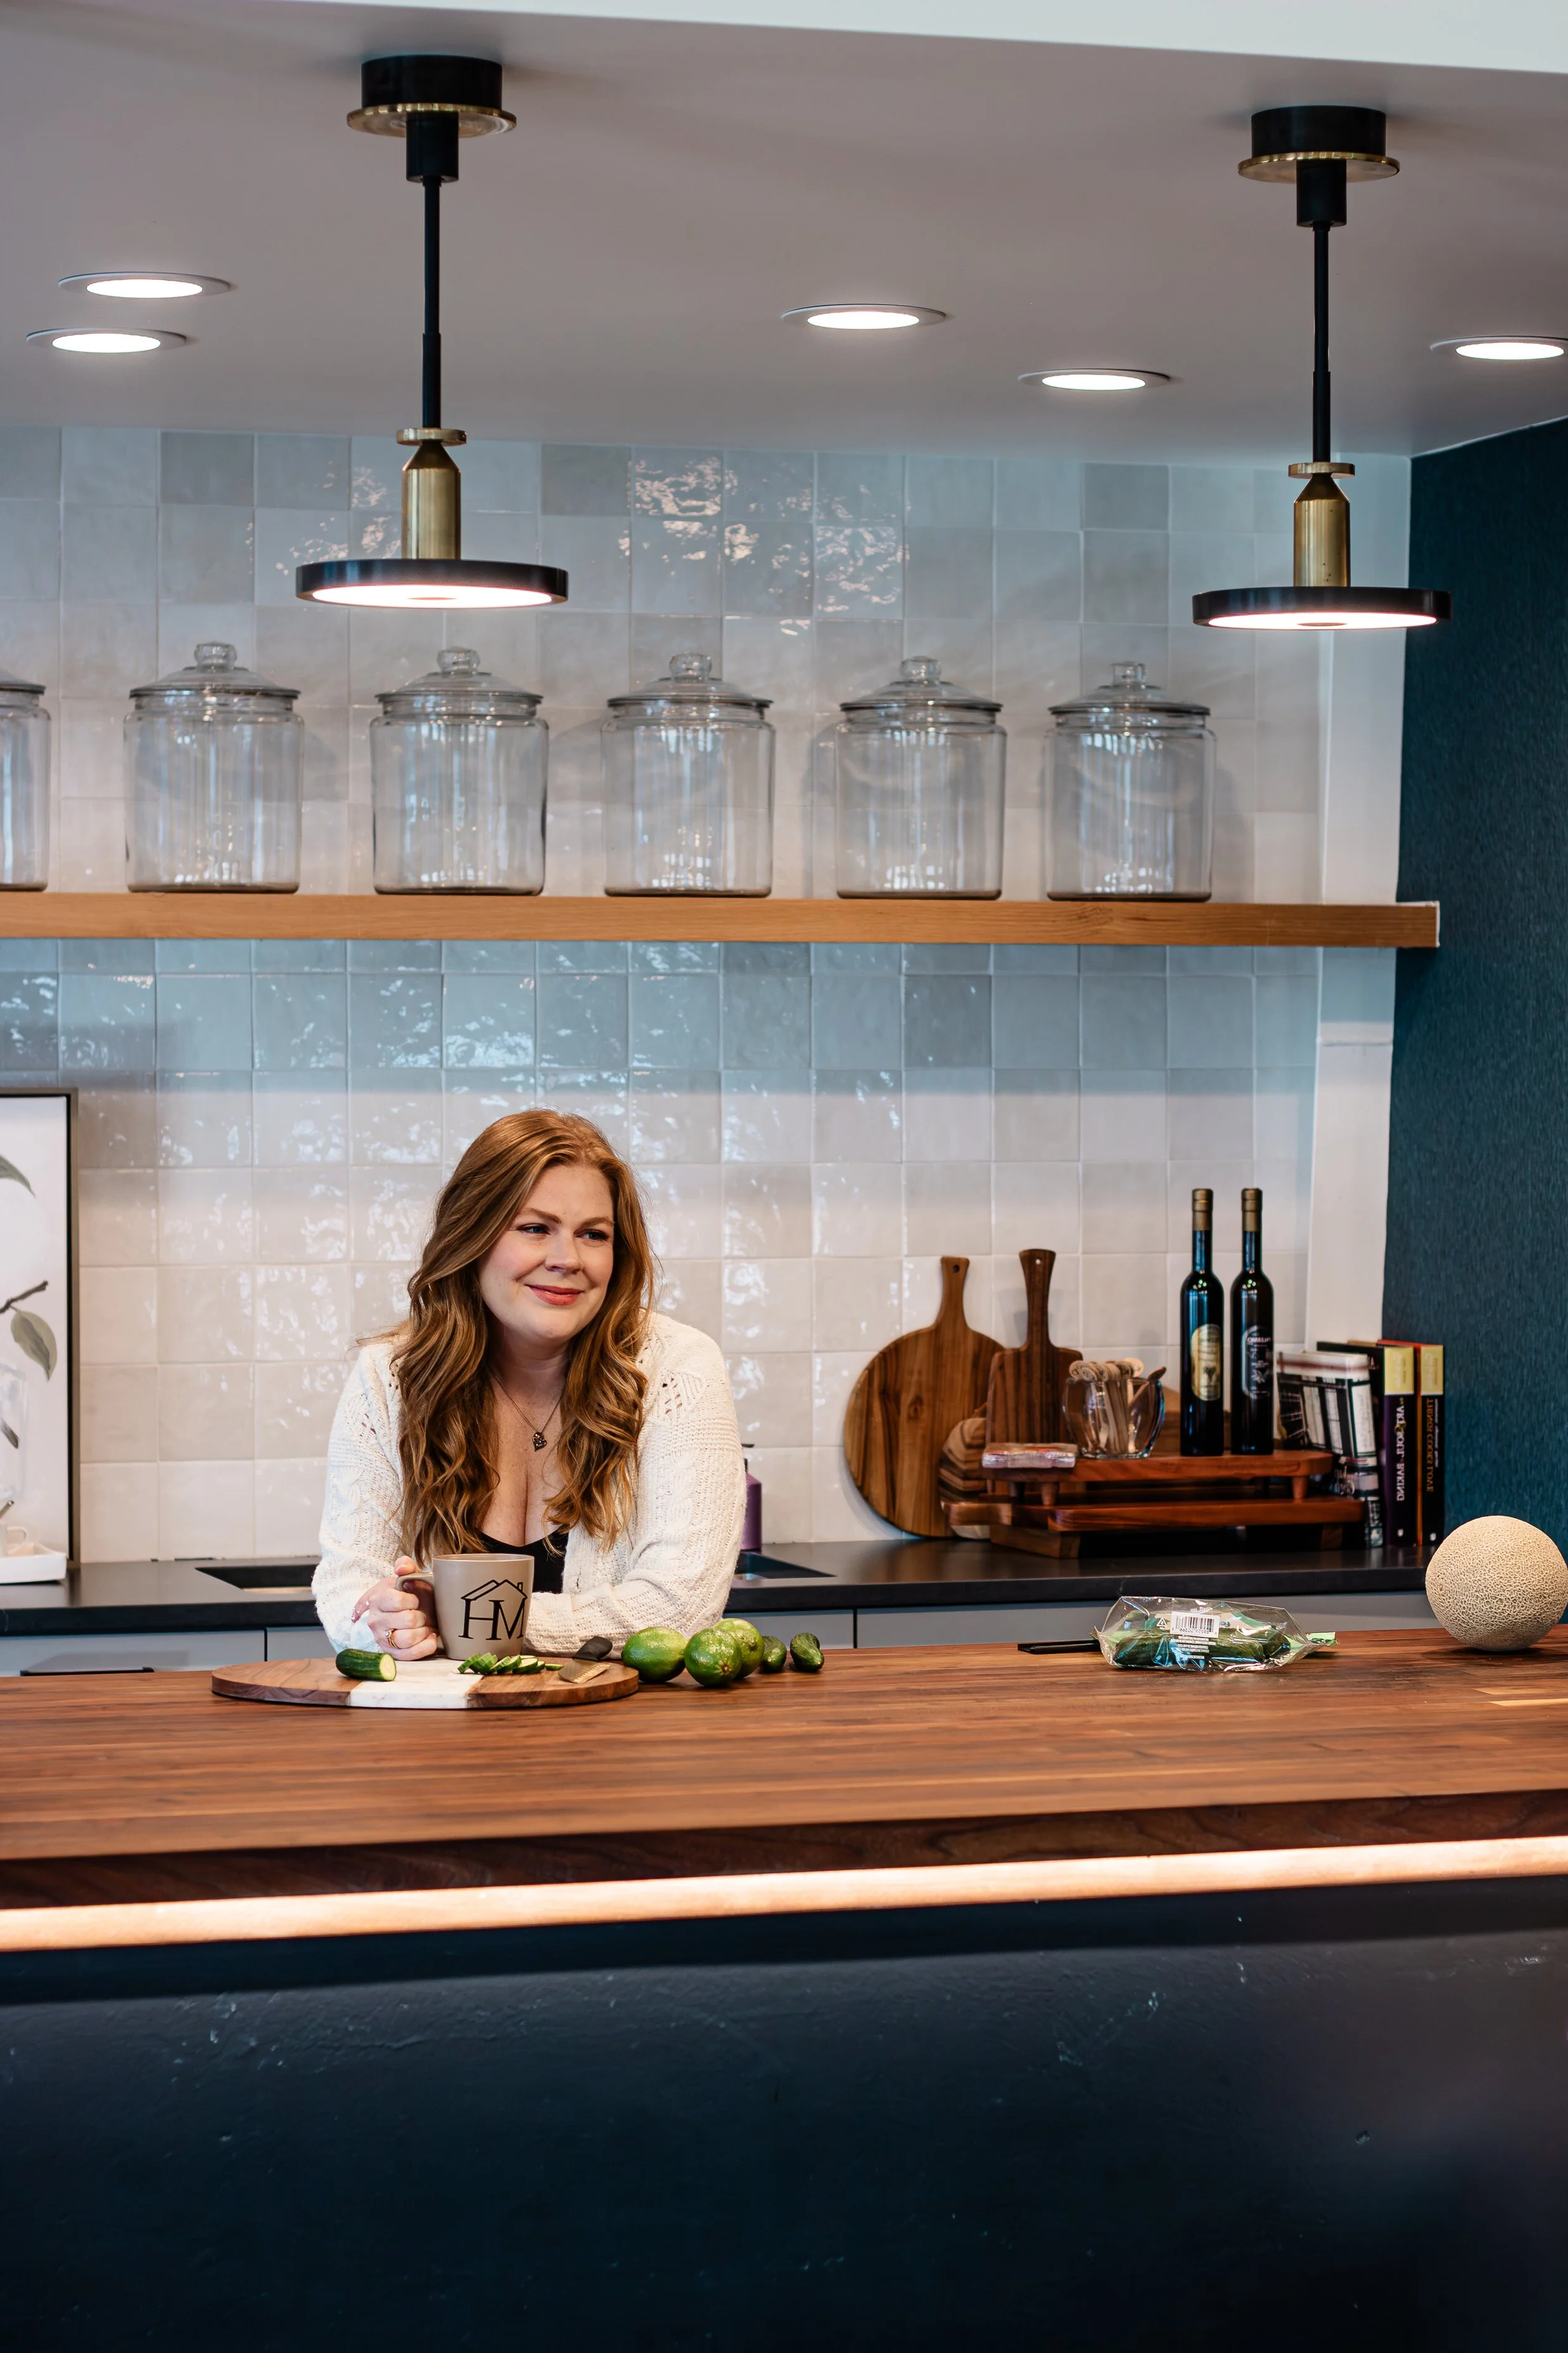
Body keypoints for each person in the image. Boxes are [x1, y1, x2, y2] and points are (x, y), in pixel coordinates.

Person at [312, 1108, 745, 1660]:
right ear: (473, 1237)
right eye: (535, 1228)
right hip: (436, 1737)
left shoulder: (678, 1367)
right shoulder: (390, 1376)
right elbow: (347, 1587)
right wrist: (384, 1620)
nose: (567, 1259)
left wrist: (454, 1614)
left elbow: (678, 1608)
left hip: (625, 1734)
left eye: (593, 1234)